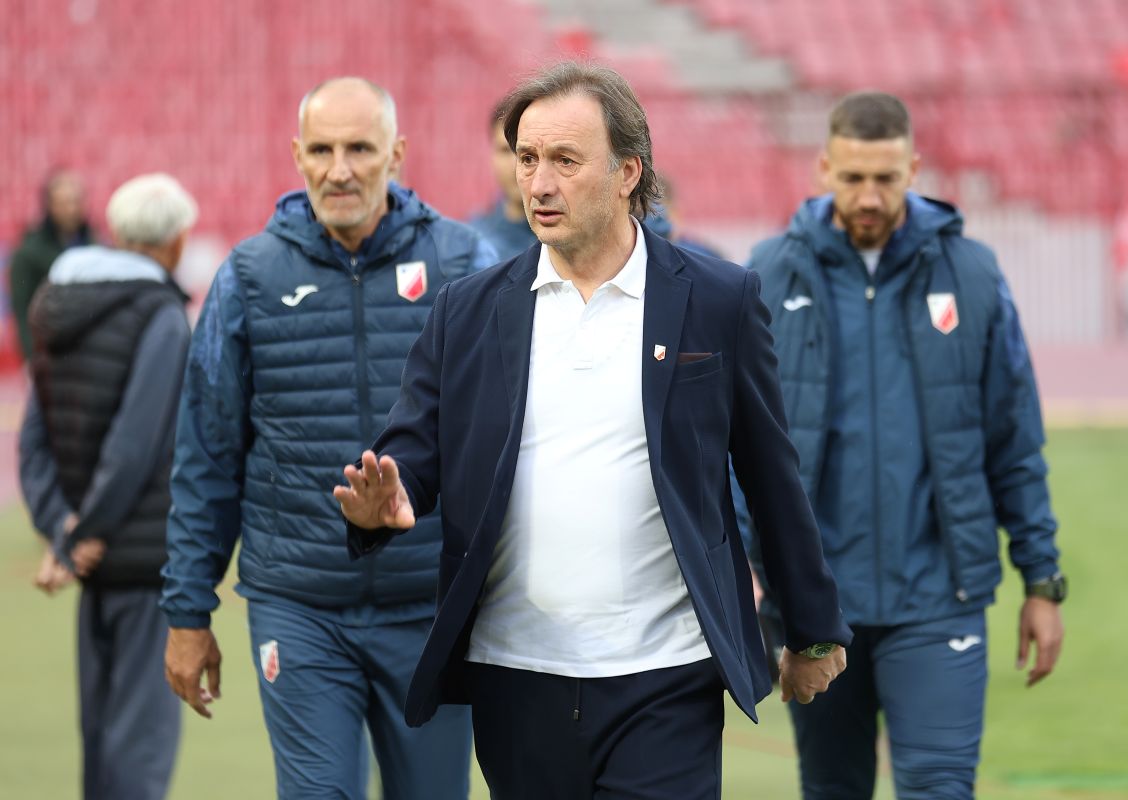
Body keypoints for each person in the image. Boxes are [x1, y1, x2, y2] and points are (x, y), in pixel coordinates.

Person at [335, 61, 852, 800]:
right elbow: (414, 448)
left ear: (626, 172)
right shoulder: (467, 309)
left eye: (565, 161)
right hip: (516, 674)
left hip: (668, 673)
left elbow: (772, 475)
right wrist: (387, 498)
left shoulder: (718, 300)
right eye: (527, 159)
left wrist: (812, 626)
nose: (539, 183)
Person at [160, 77, 494, 800]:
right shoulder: (248, 276)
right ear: (297, 156)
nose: (339, 169)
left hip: (430, 610)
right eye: (321, 150)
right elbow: (207, 453)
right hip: (299, 607)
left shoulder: (464, 262)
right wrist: (188, 611)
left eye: (360, 149)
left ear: (396, 155)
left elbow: (509, 439)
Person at [744, 91, 1067, 799]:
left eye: (886, 178)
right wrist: (747, 573)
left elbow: (1013, 438)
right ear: (824, 168)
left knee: (941, 786)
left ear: (914, 170)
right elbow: (741, 448)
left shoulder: (973, 275)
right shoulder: (767, 274)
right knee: (833, 789)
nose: (869, 195)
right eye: (853, 177)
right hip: (815, 605)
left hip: (939, 598)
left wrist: (1042, 582)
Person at [19, 172, 197, 800]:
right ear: (176, 241)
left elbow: (33, 443)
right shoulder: (163, 317)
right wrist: (84, 533)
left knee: (100, 744)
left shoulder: (54, 309)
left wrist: (63, 529)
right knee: (139, 749)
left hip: (93, 559)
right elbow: (135, 445)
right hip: (142, 560)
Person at [9, 169, 94, 361]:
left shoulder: (95, 245)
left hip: (89, 354)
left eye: (76, 201)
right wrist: (32, 358)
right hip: (49, 355)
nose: (72, 209)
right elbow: (22, 312)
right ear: (49, 206)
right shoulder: (29, 253)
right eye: (64, 203)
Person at [468, 100, 539, 260]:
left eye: (528, 153)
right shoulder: (471, 246)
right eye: (505, 150)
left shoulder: (574, 238)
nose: (516, 165)